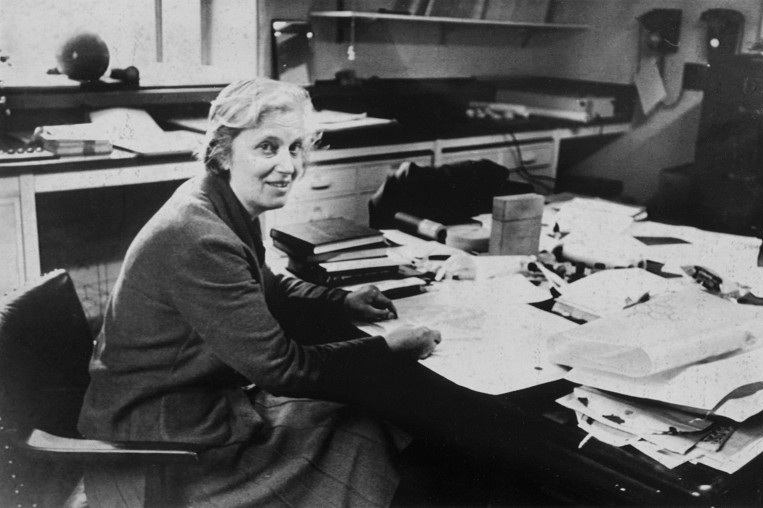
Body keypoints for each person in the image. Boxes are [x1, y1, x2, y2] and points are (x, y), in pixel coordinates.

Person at [78, 77, 551, 508]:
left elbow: (264, 281)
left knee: (370, 425)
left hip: (184, 401)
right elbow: (284, 369)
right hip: (159, 435)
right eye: (268, 147)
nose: (289, 166)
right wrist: (387, 347)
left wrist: (339, 301)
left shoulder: (219, 200)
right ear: (223, 150)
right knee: (367, 429)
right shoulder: (200, 234)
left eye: (298, 147)